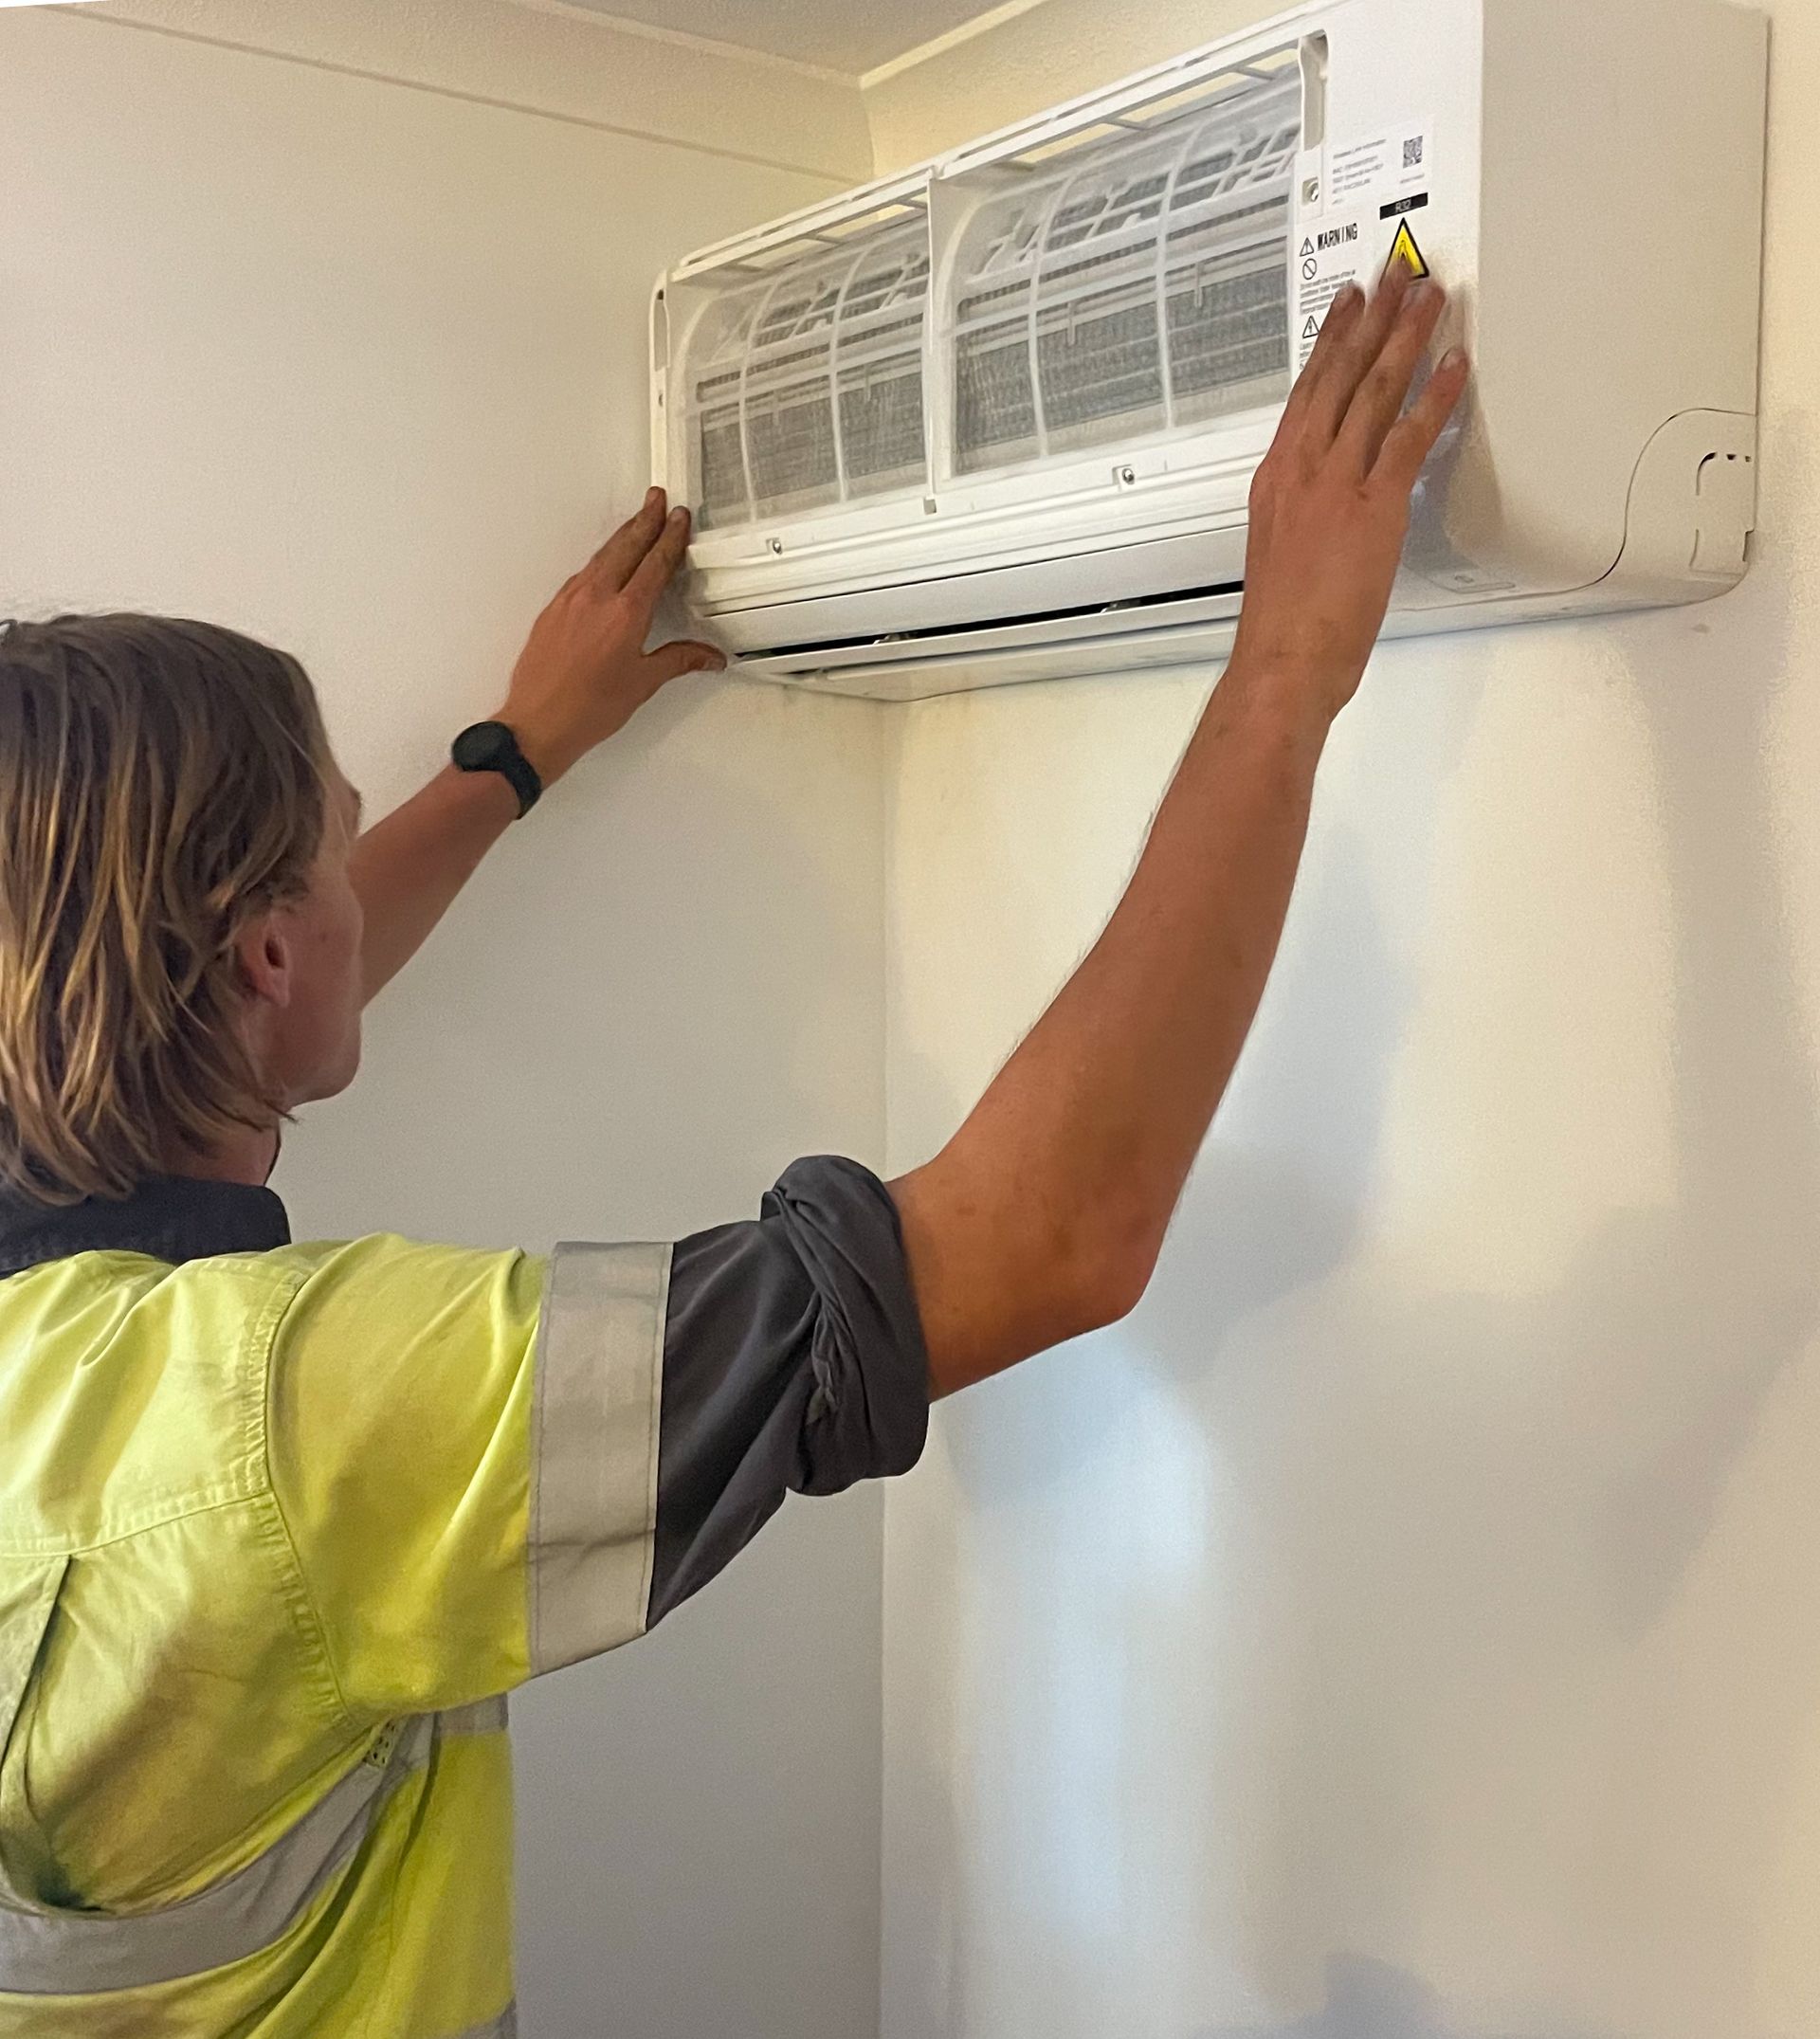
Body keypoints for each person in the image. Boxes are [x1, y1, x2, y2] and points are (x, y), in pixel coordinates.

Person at [0, 267, 1465, 2035]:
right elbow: (1047, 1239)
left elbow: (286, 972)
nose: (351, 871)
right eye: (333, 843)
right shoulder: (289, 1429)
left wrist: (516, 756)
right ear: (260, 956)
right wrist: (1289, 667)